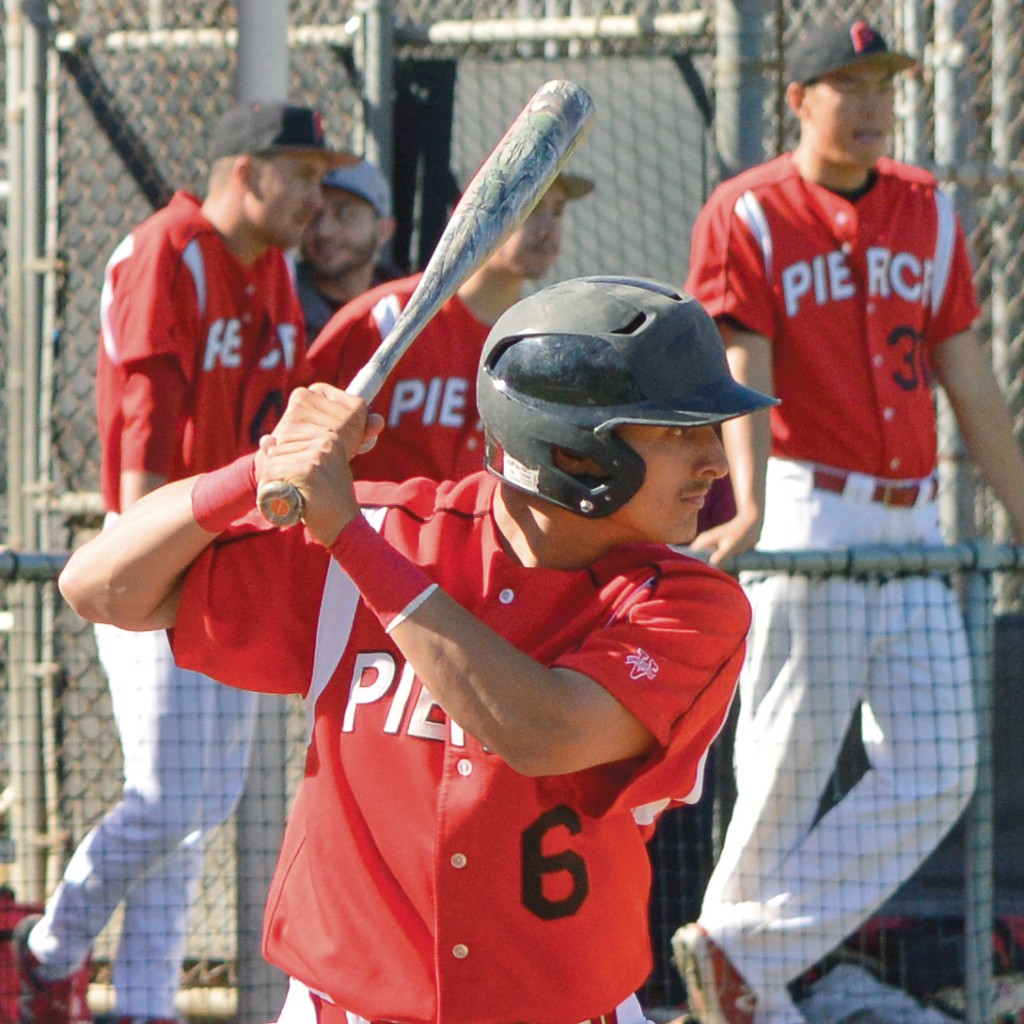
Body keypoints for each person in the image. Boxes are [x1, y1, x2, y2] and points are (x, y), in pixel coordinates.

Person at [55, 276, 777, 1024]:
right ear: (575, 451)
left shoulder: (691, 603)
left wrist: (351, 542)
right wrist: (262, 467)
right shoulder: (392, 529)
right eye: (677, 431)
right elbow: (99, 587)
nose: (714, 461)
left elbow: (542, 731)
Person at [671, 16, 1024, 1024]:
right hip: (808, 504)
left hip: (913, 524)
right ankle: (750, 987)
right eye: (851, 84)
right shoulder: (747, 210)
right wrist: (746, 506)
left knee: (941, 764)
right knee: (780, 781)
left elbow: (970, 379)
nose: (873, 103)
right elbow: (744, 362)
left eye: (884, 83)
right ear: (800, 99)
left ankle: (734, 954)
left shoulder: (928, 209)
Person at [14, 100, 352, 1024]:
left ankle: (147, 1007)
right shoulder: (169, 248)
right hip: (164, 556)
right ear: (247, 169)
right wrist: (144, 555)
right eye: (305, 173)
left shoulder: (275, 270)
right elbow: (142, 417)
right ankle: (46, 948)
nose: (317, 198)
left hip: (239, 557)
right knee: (169, 799)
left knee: (200, 811)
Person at [300, 171, 594, 483]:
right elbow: (300, 447)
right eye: (531, 207)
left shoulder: (545, 341)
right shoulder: (389, 316)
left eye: (557, 210)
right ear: (469, 215)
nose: (548, 229)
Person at [295, 157, 401, 338]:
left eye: (345, 214)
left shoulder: (409, 312)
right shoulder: (282, 309)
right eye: (312, 214)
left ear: (383, 230)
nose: (324, 230)